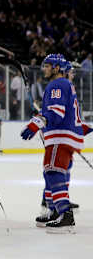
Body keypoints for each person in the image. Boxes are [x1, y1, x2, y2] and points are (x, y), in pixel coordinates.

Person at [22, 55, 91, 233]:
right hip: (66, 137)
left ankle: (65, 214)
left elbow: (56, 113)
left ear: (57, 68)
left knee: (52, 171)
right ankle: (55, 211)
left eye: (47, 66)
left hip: (60, 137)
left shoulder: (57, 84)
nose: (44, 69)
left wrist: (36, 123)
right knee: (53, 171)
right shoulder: (66, 85)